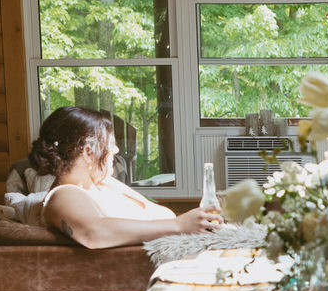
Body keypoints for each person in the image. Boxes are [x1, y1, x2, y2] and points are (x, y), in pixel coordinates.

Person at [29, 105, 222, 249]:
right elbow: (93, 233)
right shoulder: (64, 195)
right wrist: (179, 225)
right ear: (88, 152)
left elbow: (163, 217)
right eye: (110, 143)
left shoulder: (103, 184)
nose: (116, 149)